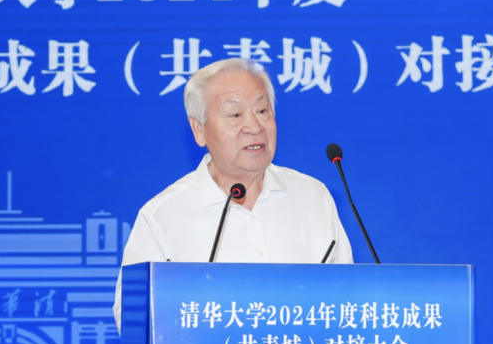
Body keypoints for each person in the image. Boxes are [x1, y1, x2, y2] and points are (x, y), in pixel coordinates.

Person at [113, 58, 353, 329]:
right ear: (199, 129)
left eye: (262, 110)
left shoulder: (312, 197)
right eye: (235, 115)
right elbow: (133, 321)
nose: (254, 126)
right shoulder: (163, 216)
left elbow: (348, 298)